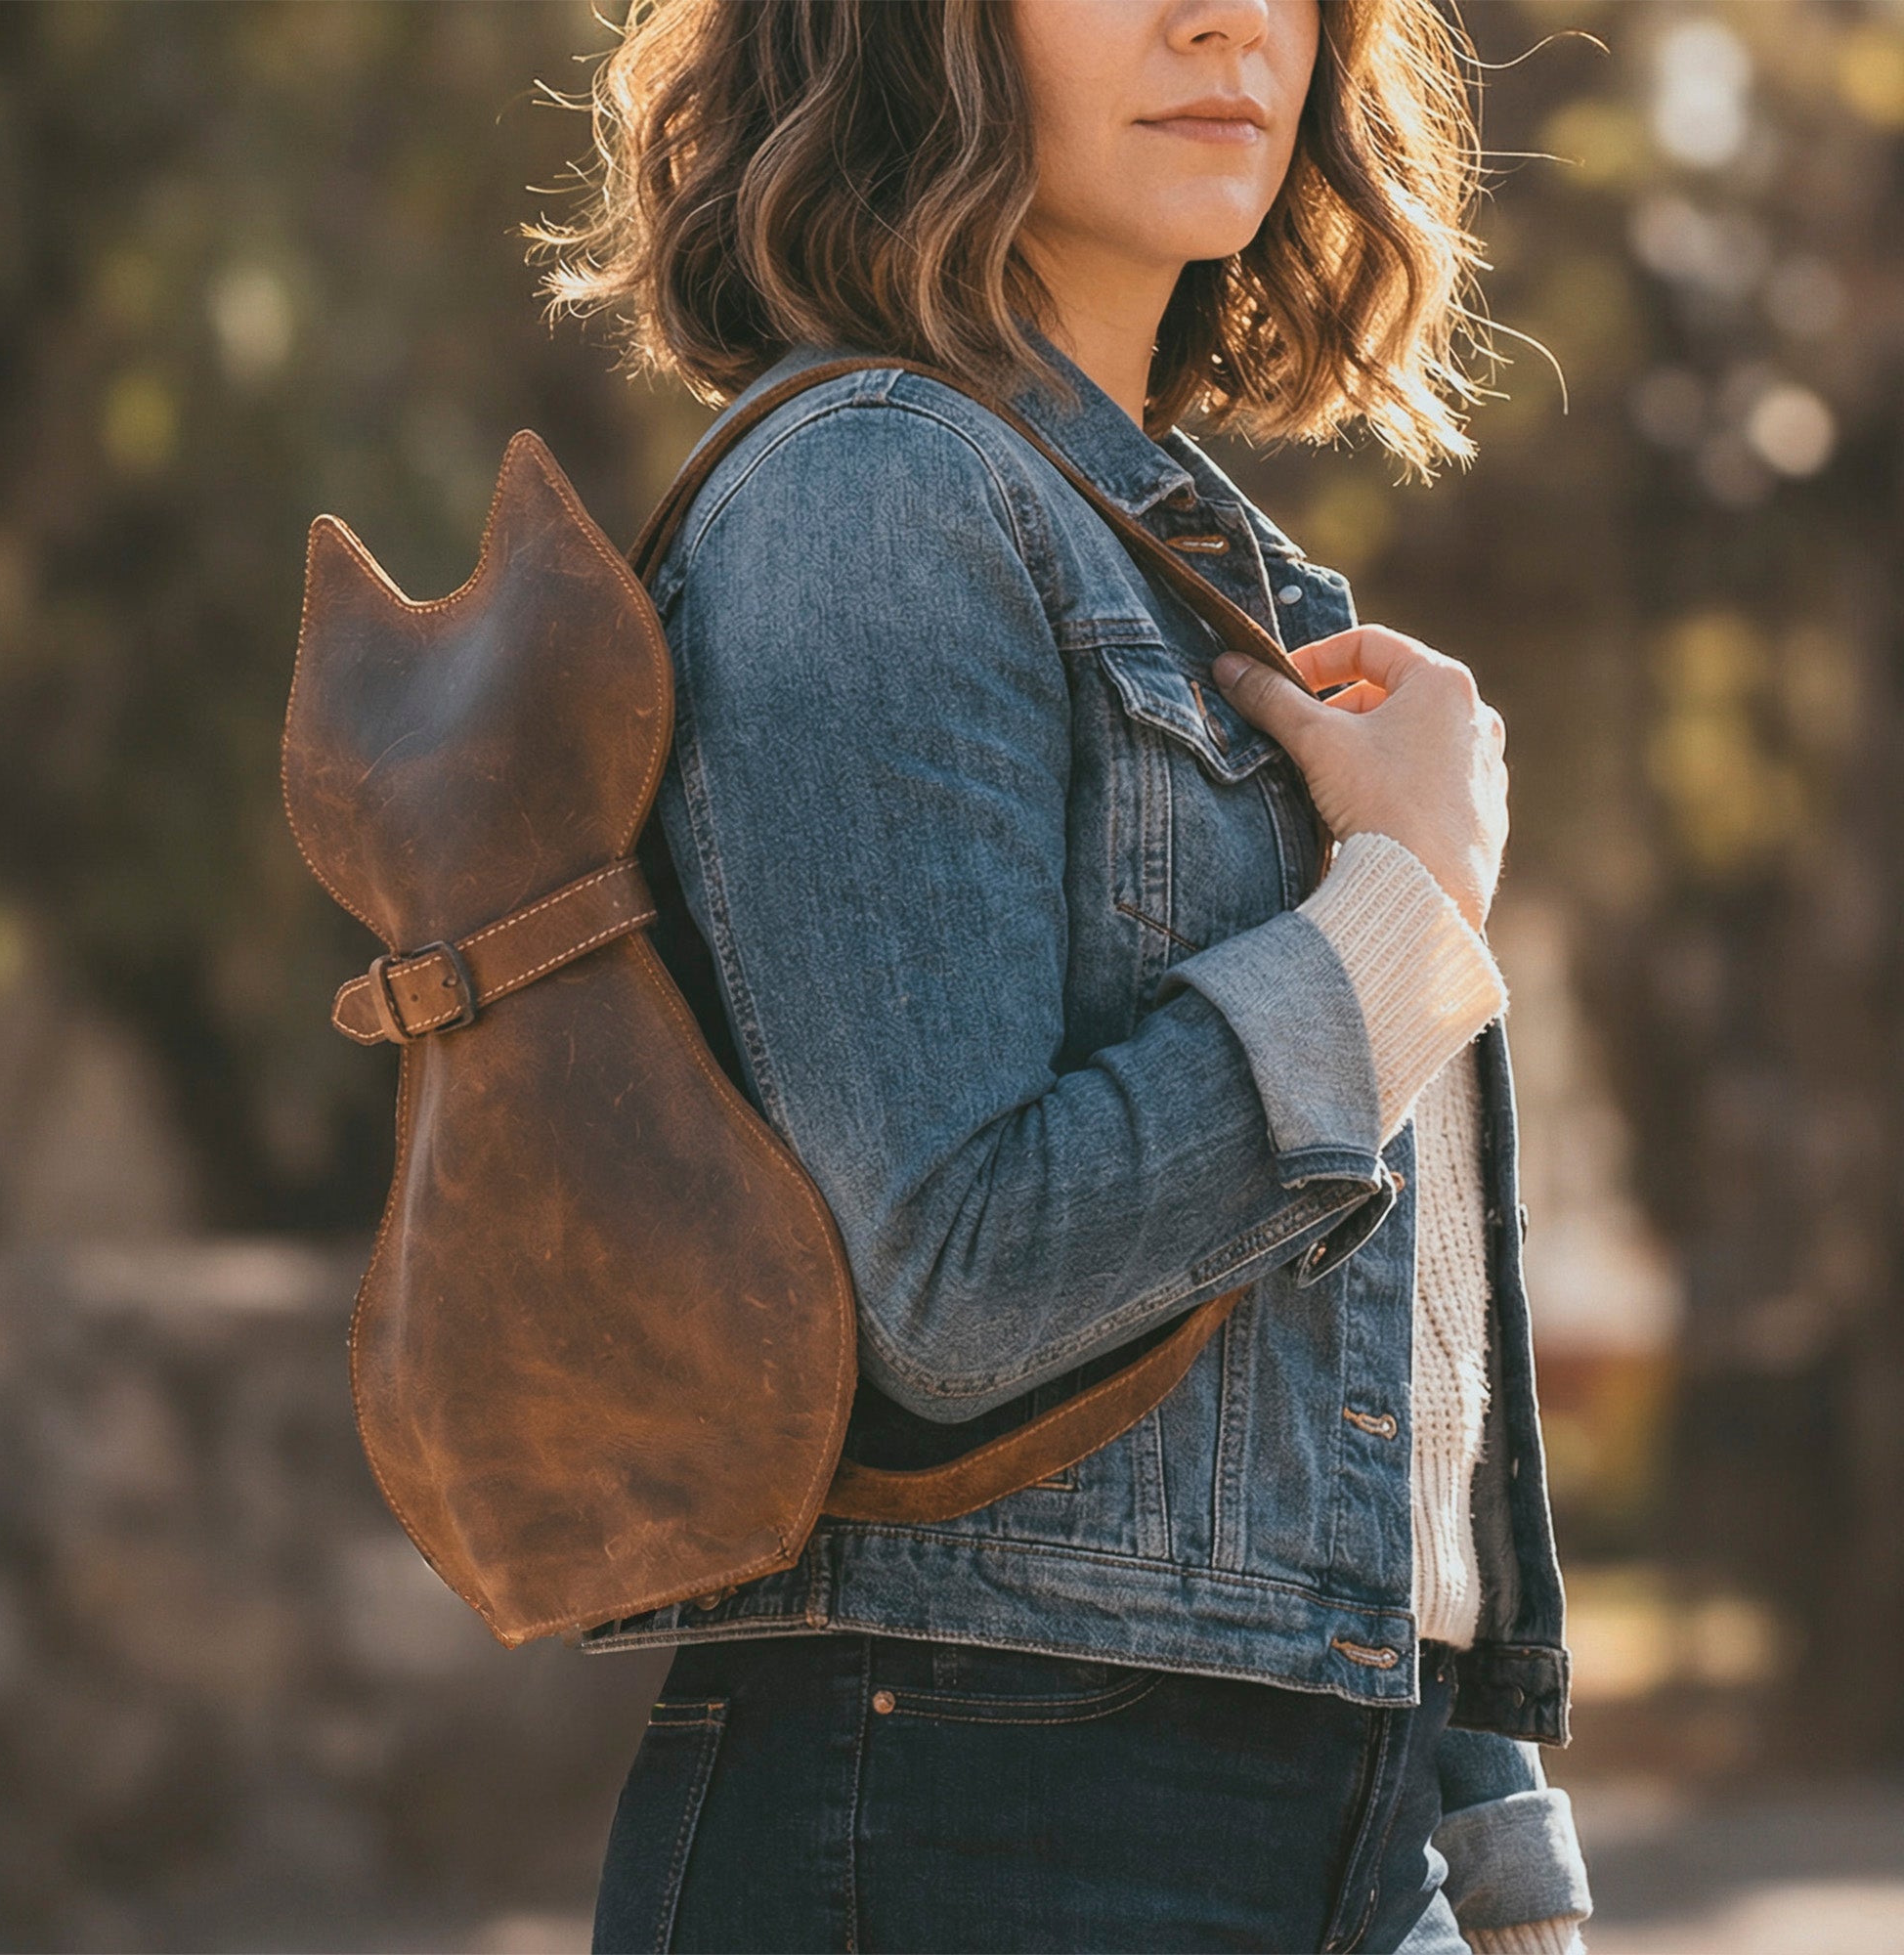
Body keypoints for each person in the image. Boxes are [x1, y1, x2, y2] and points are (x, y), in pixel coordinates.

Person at [526, 1, 1594, 1949]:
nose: (1224, 20)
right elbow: (950, 1270)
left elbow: (1373, 1375)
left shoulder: (1210, 577)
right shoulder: (867, 497)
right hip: (969, 1817)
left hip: (1323, 1815)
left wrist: (1492, 1851)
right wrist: (1405, 913)